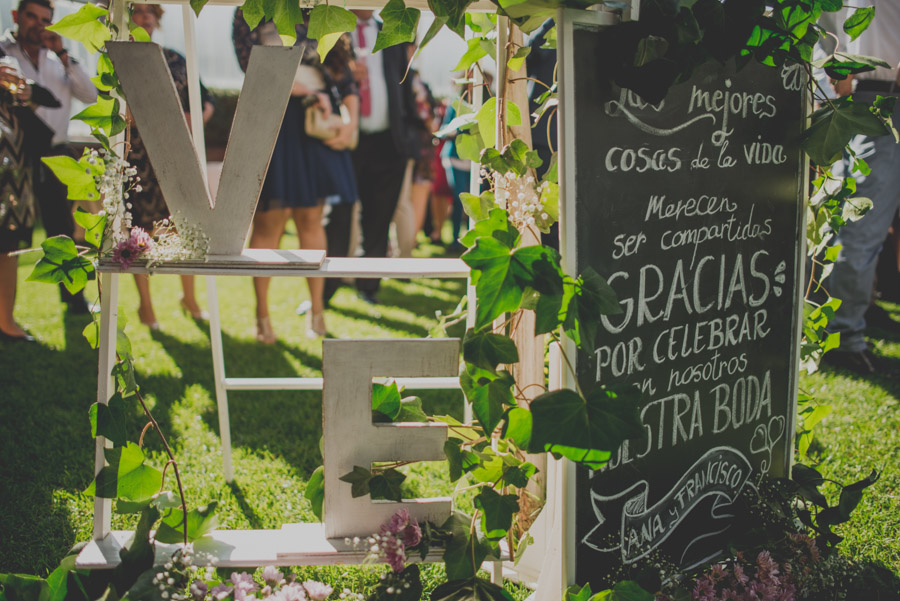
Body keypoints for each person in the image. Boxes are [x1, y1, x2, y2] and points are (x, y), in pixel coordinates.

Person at [234, 9, 358, 341]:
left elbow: (346, 76)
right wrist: (304, 91)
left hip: (317, 123)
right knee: (269, 222)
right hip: (274, 120)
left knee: (311, 220)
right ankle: (262, 315)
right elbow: (252, 67)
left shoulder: (325, 10)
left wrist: (350, 123)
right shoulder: (252, 10)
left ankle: (317, 312)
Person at [1, 0, 97, 314]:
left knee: (62, 229)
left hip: (56, 151)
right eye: (31, 16)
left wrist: (64, 53)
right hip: (14, 156)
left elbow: (91, 95)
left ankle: (74, 298)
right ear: (16, 16)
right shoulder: (3, 54)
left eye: (45, 19)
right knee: (11, 233)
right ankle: (6, 313)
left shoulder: (60, 61)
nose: (38, 24)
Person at [822, 0, 900, 375]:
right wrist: (835, 66)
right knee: (860, 223)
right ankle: (843, 336)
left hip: (875, 93)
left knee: (860, 220)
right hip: (878, 96)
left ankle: (853, 317)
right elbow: (826, 20)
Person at [127, 4, 215, 330]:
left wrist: (195, 119)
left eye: (152, 11)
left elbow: (206, 102)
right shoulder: (118, 63)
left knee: (185, 227)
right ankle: (146, 305)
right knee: (139, 233)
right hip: (136, 159)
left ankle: (189, 297)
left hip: (177, 158)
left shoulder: (177, 59)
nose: (146, 16)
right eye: (138, 10)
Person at [323, 10, 418, 306]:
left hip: (389, 143)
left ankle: (369, 287)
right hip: (345, 143)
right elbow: (320, 80)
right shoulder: (331, 28)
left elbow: (404, 83)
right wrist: (346, 74)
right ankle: (326, 291)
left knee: (379, 219)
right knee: (337, 218)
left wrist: (409, 135)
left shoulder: (394, 30)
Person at [0, 53, 57, 341]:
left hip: (12, 172)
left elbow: (48, 100)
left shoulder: (3, 57)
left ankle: (6, 321)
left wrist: (25, 91)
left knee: (8, 245)